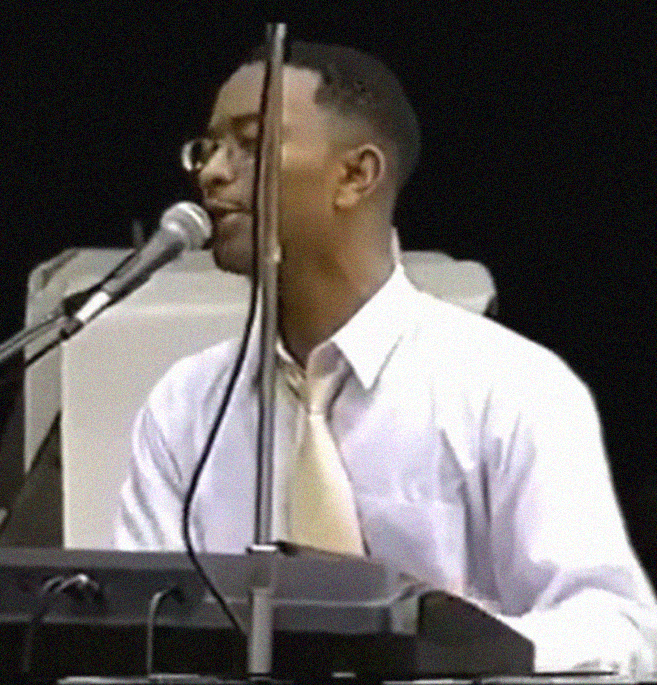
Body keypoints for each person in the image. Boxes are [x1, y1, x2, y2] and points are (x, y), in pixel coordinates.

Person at [113, 41, 657, 676]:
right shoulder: (186, 404)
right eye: (205, 149)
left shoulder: (509, 386)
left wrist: (432, 643)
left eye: (250, 143)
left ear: (355, 175)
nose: (211, 172)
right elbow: (131, 634)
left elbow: (618, 630)